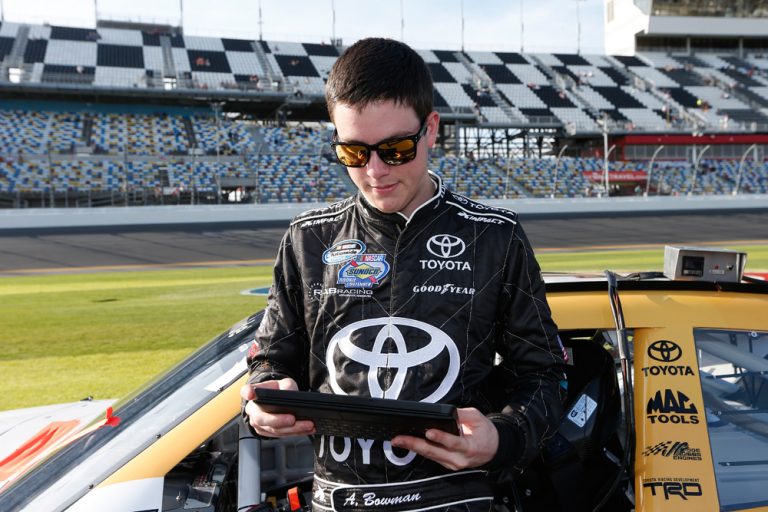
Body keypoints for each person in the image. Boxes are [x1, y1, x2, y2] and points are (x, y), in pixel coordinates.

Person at [241, 37, 567, 511]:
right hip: (339, 500)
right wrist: (262, 400)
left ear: (430, 129)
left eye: (394, 149)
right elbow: (270, 360)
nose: (375, 170)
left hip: (455, 502)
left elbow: (545, 374)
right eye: (353, 152)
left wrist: (503, 438)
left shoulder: (495, 236)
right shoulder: (308, 238)